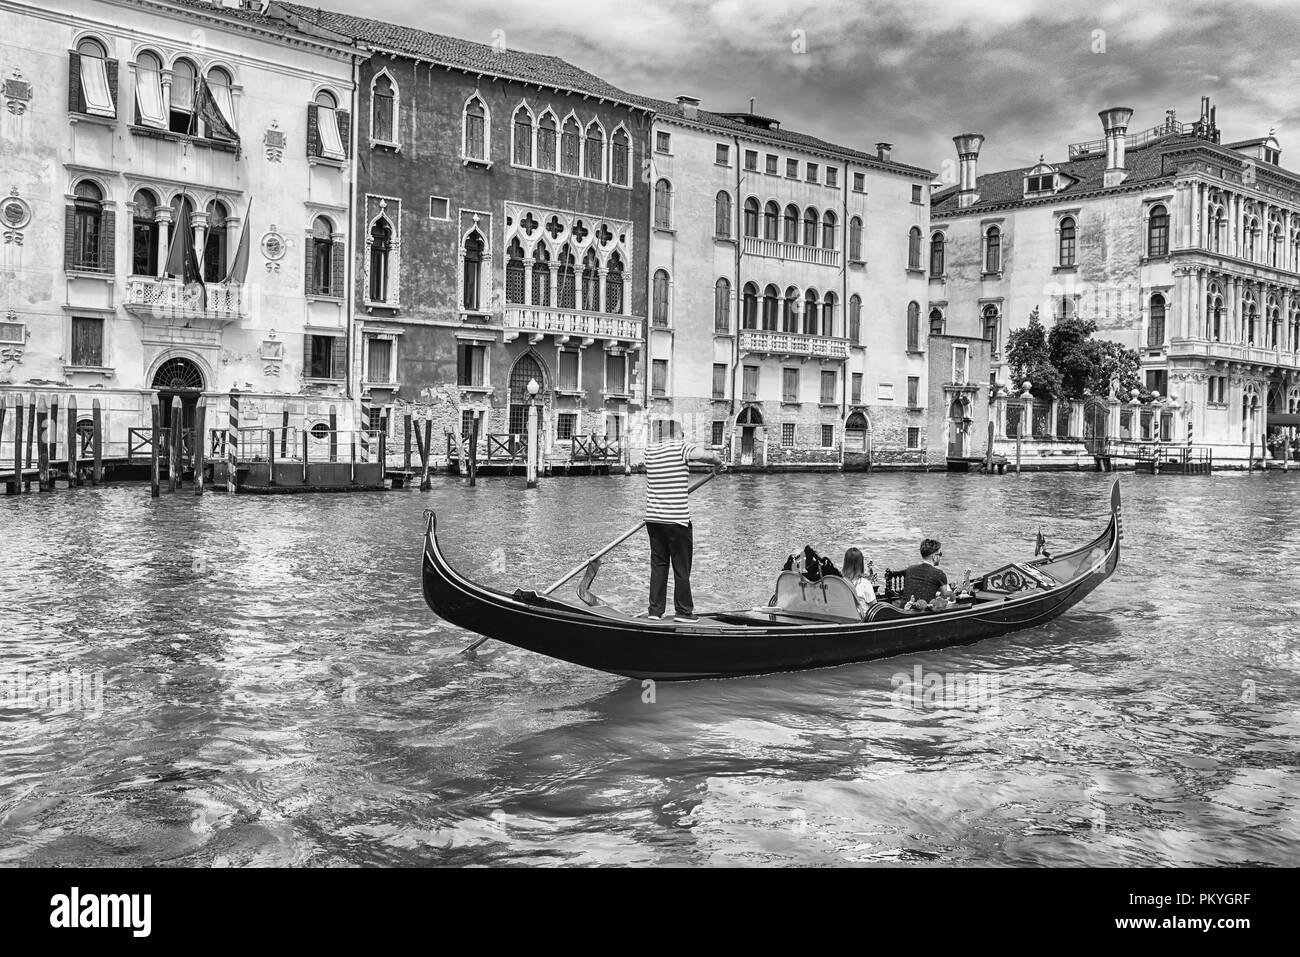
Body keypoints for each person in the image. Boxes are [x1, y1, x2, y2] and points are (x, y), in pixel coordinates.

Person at [644, 421, 723, 622]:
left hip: (653, 519)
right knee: (681, 566)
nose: (684, 436)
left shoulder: (649, 451)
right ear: (677, 433)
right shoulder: (681, 447)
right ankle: (684, 612)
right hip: (677, 520)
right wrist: (718, 462)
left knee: (659, 565)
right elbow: (705, 455)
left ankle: (655, 612)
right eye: (682, 433)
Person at [901, 538, 951, 605]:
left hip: (904, 609)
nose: (941, 556)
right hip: (922, 611)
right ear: (934, 557)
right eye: (940, 554)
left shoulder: (910, 569)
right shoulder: (939, 573)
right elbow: (947, 596)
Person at [841, 547, 876, 618]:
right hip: (861, 620)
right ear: (860, 564)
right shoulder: (865, 584)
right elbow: (875, 607)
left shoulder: (840, 582)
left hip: (844, 617)